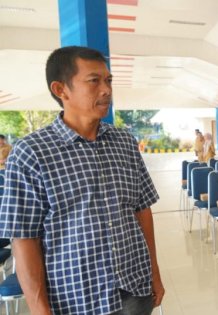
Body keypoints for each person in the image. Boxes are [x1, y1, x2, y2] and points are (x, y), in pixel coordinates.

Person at [0, 46, 164, 314]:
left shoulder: (123, 142)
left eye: (108, 80)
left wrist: (154, 273)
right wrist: (40, 309)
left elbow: (142, 210)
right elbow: (24, 237)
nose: (106, 90)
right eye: (94, 81)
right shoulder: (32, 153)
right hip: (75, 299)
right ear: (61, 89)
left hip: (134, 290)